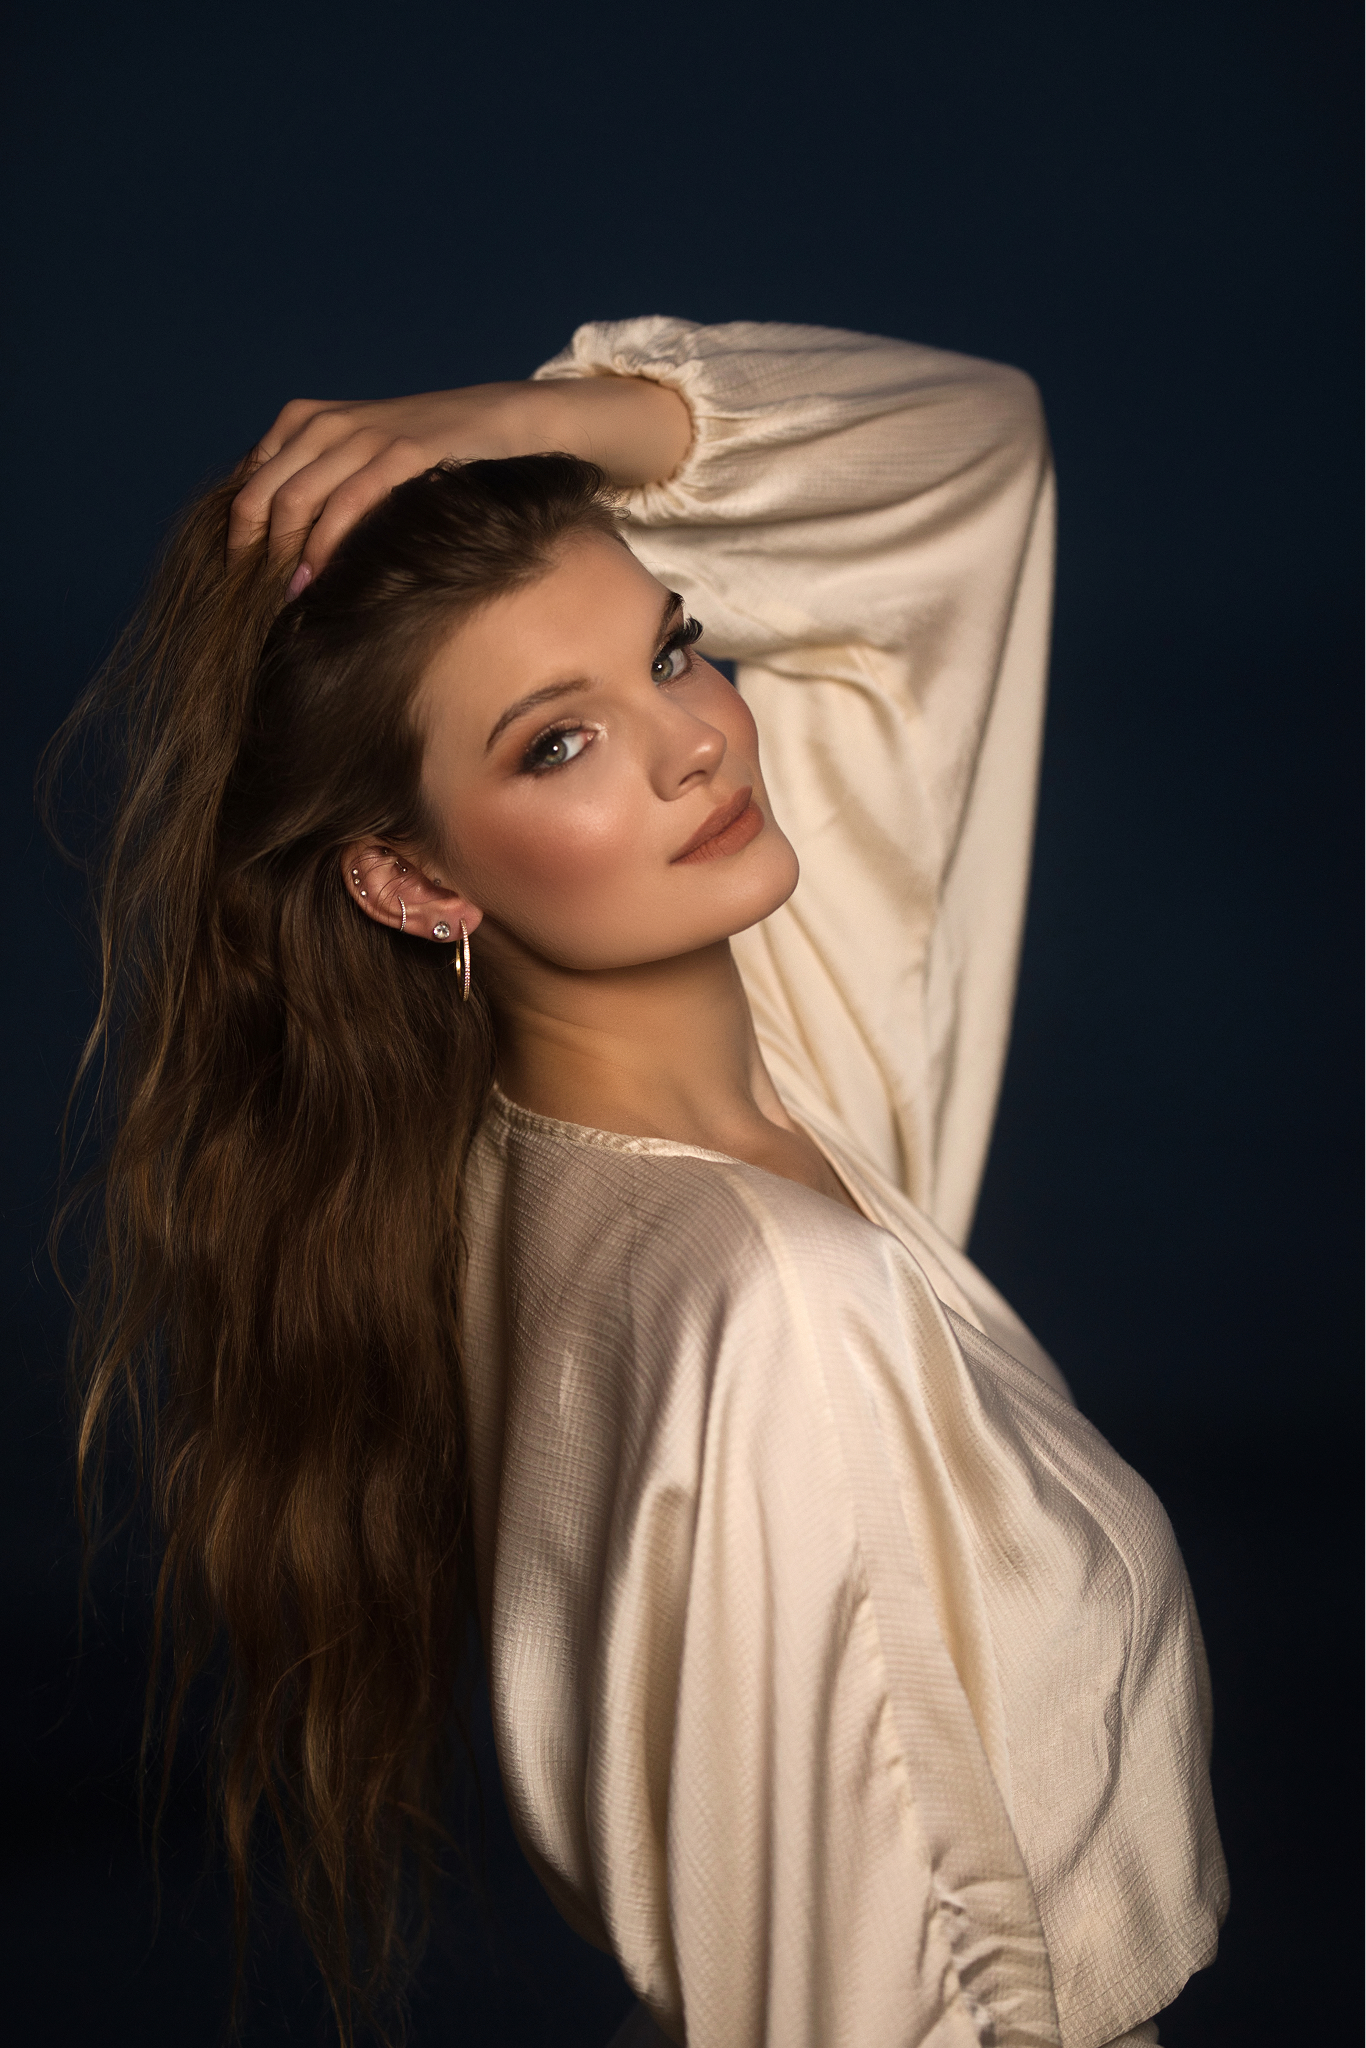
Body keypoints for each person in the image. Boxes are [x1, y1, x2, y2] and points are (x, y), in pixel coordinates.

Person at [54, 317, 1227, 2048]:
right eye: (557, 743)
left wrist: (519, 420)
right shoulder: (770, 1300)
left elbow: (970, 452)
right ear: (412, 883)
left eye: (673, 648)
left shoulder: (634, 1128)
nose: (693, 744)